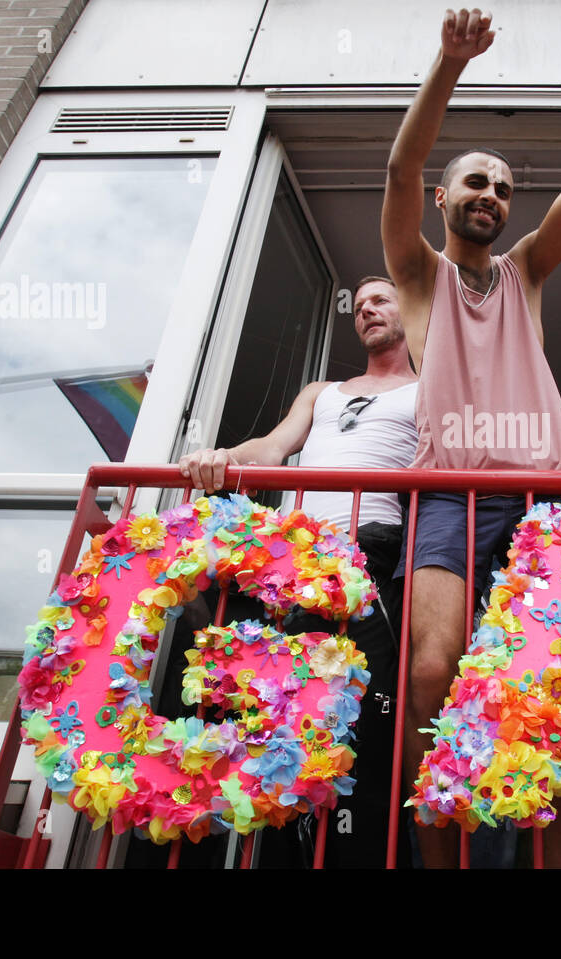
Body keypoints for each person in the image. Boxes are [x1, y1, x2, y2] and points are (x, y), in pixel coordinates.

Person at [382, 8, 561, 867]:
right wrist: (448, 64)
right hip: (448, 489)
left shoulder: (524, 273)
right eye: (473, 183)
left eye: (502, 187)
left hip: (547, 499)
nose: (489, 194)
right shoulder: (418, 274)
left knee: (557, 688)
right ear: (445, 200)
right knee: (427, 672)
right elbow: (401, 163)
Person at [178, 275, 417, 867]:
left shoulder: (431, 388)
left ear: (409, 308)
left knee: (370, 719)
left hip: (373, 561)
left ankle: (361, 855)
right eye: (359, 306)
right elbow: (273, 447)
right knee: (286, 722)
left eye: (381, 300)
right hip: (297, 564)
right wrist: (223, 457)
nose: (367, 311)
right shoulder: (322, 390)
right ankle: (286, 856)